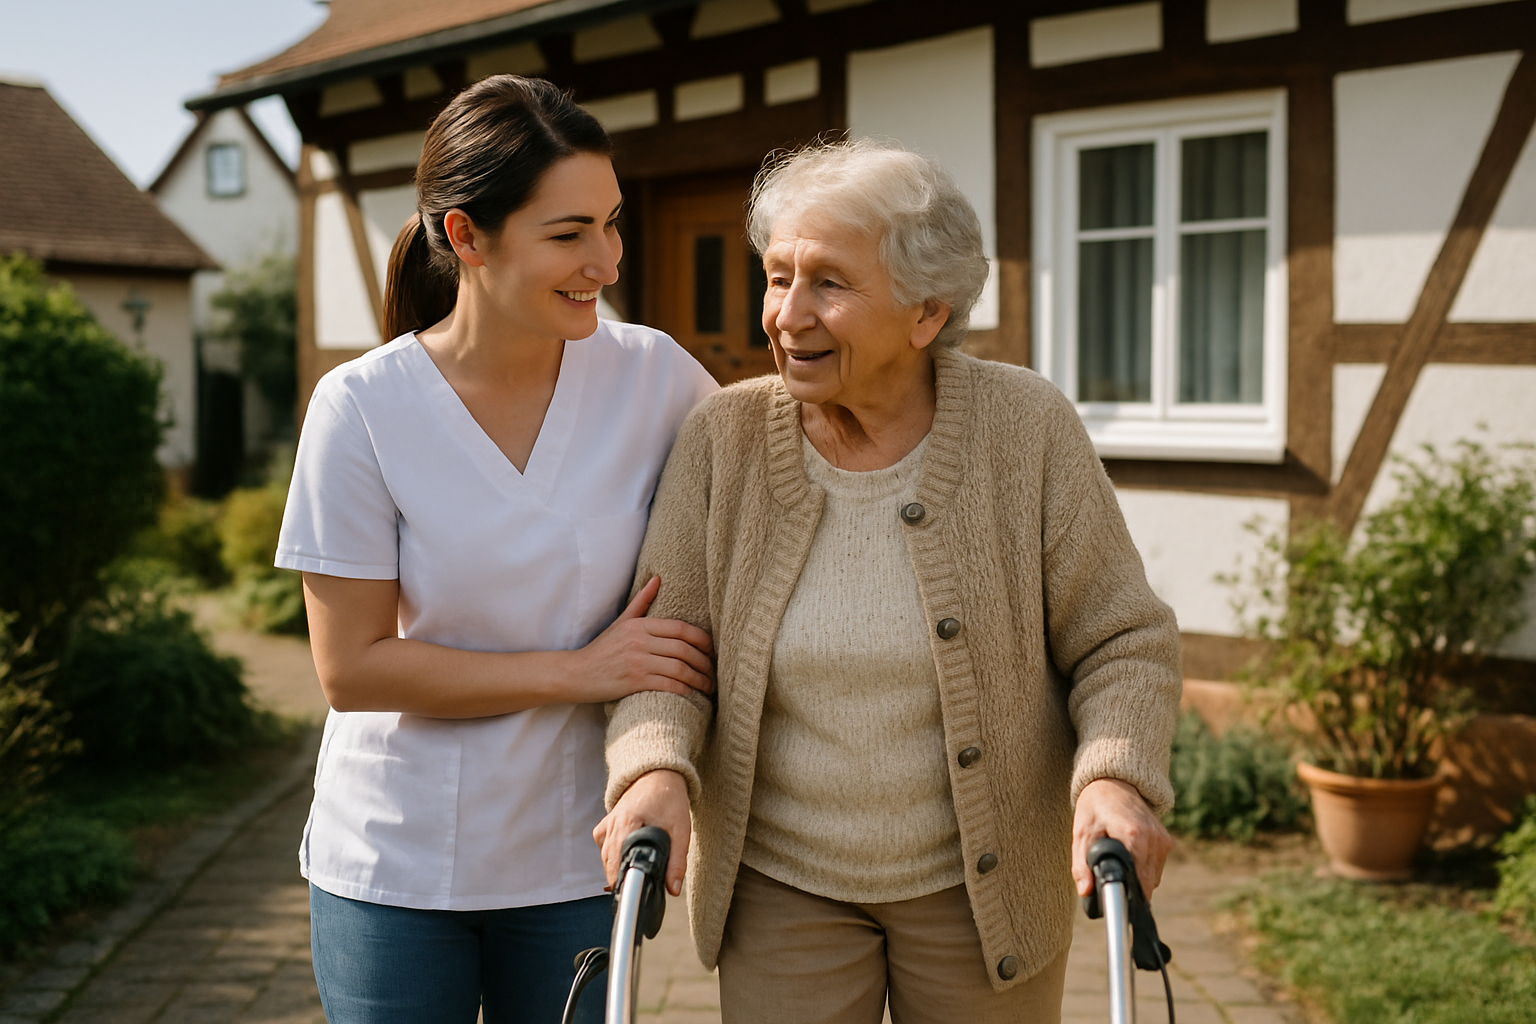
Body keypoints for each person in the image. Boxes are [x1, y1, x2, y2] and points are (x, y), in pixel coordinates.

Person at [595, 139, 1182, 1024]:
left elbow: (1122, 640)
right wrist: (654, 766)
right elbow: (665, 653)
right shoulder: (723, 441)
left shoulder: (1025, 431)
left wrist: (1114, 777)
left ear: (925, 313)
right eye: (777, 276)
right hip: (782, 882)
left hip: (983, 892)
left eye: (829, 283)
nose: (787, 314)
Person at [275, 75, 718, 1024]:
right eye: (567, 234)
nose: (604, 260)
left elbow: (774, 493)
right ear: (464, 236)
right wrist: (578, 671)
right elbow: (351, 668)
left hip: (575, 852)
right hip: (392, 864)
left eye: (612, 222)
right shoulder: (360, 408)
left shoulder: (657, 377)